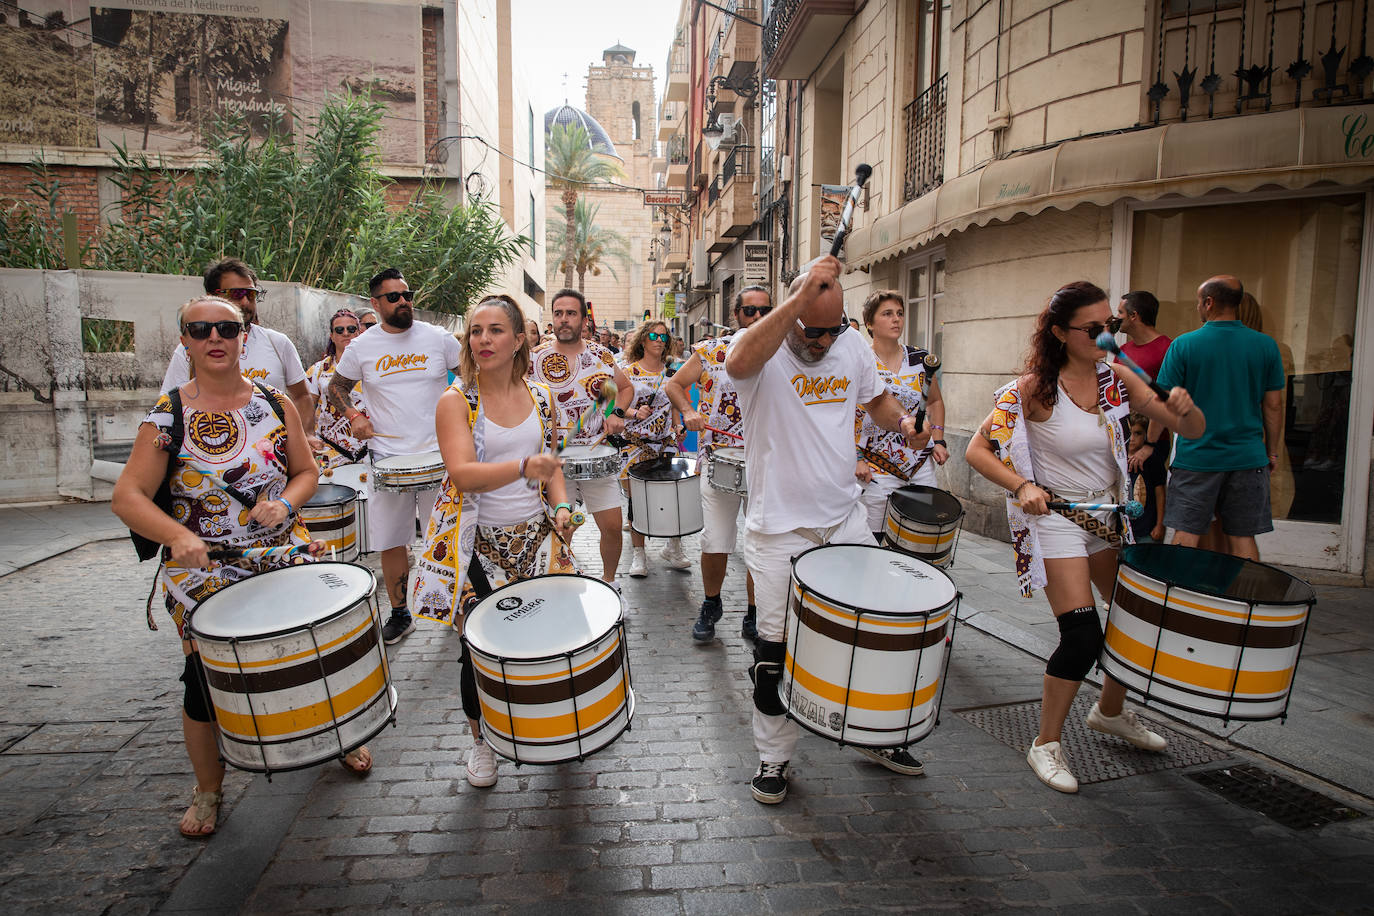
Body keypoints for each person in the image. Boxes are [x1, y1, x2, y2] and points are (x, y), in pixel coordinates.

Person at [112, 295, 356, 839]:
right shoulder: (167, 415)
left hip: (280, 559)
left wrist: (286, 504)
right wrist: (178, 536)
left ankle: (339, 737)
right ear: (186, 342)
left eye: (227, 327)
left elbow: (307, 472)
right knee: (203, 683)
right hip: (205, 577)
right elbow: (128, 496)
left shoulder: (274, 403)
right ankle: (208, 790)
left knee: (310, 657)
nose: (215, 337)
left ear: (245, 336)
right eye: (201, 330)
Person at [964, 280, 1204, 794]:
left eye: (1111, 326)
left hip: (1106, 518)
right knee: (1082, 635)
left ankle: (1109, 712)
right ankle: (1045, 743)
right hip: (1054, 516)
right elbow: (977, 451)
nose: (1106, 335)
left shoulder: (1117, 380)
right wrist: (1022, 484)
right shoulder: (1032, 389)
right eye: (1093, 329)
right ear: (1059, 332)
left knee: (1135, 621)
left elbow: (1196, 429)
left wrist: (1180, 405)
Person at [725, 256, 931, 805]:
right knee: (775, 651)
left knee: (875, 637)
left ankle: (878, 735)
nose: (821, 343)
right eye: (811, 331)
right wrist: (796, 304)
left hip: (845, 519)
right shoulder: (761, 352)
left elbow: (878, 401)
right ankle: (774, 760)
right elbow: (740, 359)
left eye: (831, 330)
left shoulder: (851, 346)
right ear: (790, 314)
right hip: (777, 531)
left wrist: (906, 425)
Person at [411, 295, 575, 788]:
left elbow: (552, 467)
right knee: (479, 651)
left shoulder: (542, 395)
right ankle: (482, 742)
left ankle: (552, 726)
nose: (482, 339)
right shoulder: (456, 400)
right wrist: (524, 468)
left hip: (537, 536)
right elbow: (463, 475)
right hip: (474, 544)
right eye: (475, 330)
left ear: (519, 339)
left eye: (495, 330)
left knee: (553, 639)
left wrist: (563, 506)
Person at [329, 267, 462, 643]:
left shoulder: (437, 338)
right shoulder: (362, 347)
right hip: (388, 460)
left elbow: (468, 375)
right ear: (375, 303)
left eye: (407, 294)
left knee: (447, 536)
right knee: (392, 540)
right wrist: (353, 414)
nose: (403, 301)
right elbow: (336, 387)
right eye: (393, 297)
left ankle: (456, 604)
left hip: (441, 455)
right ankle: (401, 612)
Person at [1153, 275, 1284, 561]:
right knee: (1242, 538)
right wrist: (1271, 451)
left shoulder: (1184, 345)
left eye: (1199, 301)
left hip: (1197, 458)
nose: (1198, 307)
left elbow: (1162, 402)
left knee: (1185, 534)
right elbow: (1274, 405)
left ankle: (1177, 601)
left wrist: (1150, 443)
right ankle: (1244, 603)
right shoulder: (1266, 346)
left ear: (1209, 303)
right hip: (1247, 457)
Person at [664, 286, 768, 643]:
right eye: (750, 310)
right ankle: (711, 604)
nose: (757, 317)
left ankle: (756, 612)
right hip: (719, 458)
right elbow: (674, 384)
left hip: (767, 462)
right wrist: (690, 411)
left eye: (764, 310)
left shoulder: (785, 352)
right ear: (736, 314)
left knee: (761, 540)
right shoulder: (712, 350)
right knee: (716, 540)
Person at [529, 288, 633, 587]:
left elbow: (624, 389)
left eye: (571, 313)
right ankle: (563, 582)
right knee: (562, 529)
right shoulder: (535, 359)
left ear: (583, 319)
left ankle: (611, 583)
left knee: (612, 526)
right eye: (558, 313)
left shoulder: (600, 355)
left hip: (595, 455)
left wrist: (618, 414)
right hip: (553, 460)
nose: (564, 319)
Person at [160, 258, 315, 440]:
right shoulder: (191, 349)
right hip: (211, 458)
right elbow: (168, 408)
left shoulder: (277, 343)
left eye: (250, 295)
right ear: (211, 297)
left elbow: (303, 396)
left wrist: (305, 437)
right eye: (236, 294)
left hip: (272, 458)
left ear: (244, 342)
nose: (244, 302)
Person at [855, 290, 950, 540]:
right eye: (887, 314)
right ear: (869, 323)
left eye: (899, 313)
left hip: (919, 461)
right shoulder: (860, 361)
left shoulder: (920, 359)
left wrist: (938, 440)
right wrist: (855, 458)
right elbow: (846, 415)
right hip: (875, 463)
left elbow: (936, 401)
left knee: (922, 532)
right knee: (873, 536)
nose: (896, 319)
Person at [618, 320, 690, 578]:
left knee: (673, 496)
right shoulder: (627, 372)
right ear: (642, 340)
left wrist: (678, 425)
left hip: (665, 443)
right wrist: (634, 412)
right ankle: (639, 555)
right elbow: (612, 410)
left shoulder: (672, 374)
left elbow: (673, 405)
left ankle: (674, 546)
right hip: (635, 444)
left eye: (663, 336)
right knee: (637, 501)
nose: (659, 340)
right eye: (653, 335)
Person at [304, 309, 368, 469]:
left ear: (359, 333)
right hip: (328, 451)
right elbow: (305, 407)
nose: (346, 333)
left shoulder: (372, 367)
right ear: (331, 336)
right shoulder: (318, 371)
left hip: (370, 449)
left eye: (351, 329)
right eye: (339, 330)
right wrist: (308, 436)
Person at [1126, 414, 1167, 543]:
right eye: (1129, 433)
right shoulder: (1117, 458)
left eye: (1137, 433)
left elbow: (1160, 492)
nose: (1132, 438)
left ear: (1146, 435)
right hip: (1123, 528)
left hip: (1147, 528)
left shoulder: (1152, 459)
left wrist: (1160, 525)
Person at [1115, 290, 1172, 381]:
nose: (1117, 317)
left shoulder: (1169, 350)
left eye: (1120, 312)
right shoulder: (1122, 350)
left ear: (1133, 315)